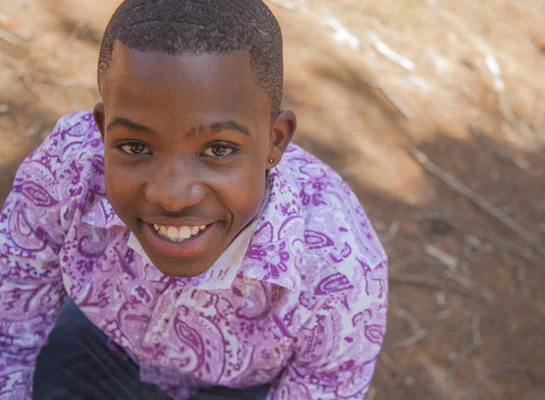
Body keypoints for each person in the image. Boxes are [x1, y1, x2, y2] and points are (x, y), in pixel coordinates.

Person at [0, 0, 388, 399]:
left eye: (219, 150)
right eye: (135, 146)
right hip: (106, 345)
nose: (171, 196)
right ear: (102, 131)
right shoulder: (66, 168)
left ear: (275, 142)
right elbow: (8, 330)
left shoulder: (339, 274)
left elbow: (324, 384)